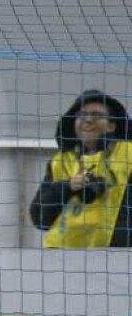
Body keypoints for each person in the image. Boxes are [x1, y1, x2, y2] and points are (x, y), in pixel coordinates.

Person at [29, 89, 132, 248]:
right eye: (82, 115)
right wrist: (68, 187)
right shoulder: (60, 161)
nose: (88, 120)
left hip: (115, 258)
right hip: (60, 256)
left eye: (97, 115)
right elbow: (40, 219)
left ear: (112, 126)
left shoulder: (128, 155)